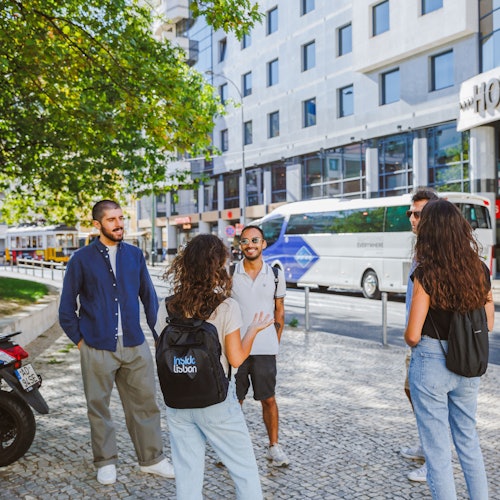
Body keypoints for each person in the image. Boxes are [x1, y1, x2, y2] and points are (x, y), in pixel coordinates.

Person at [58, 200, 174, 485]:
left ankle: (152, 460)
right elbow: (66, 309)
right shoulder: (81, 259)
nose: (119, 224)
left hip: (135, 344)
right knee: (98, 407)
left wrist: (159, 337)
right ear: (97, 224)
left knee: (145, 404)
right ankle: (106, 461)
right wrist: (81, 342)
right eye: (112, 220)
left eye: (121, 218)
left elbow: (149, 298)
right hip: (96, 346)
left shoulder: (135, 255)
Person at [155, 234, 273, 499]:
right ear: (217, 266)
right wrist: (253, 330)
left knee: (187, 475)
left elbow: (162, 352)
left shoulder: (167, 306)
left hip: (178, 402)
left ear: (185, 264)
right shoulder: (226, 306)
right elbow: (236, 359)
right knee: (244, 471)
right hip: (216, 402)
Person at [404, 198, 494, 499]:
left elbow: (413, 335)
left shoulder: (426, 273)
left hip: (431, 361)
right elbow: (488, 322)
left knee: (437, 452)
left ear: (429, 230)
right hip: (468, 361)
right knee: (468, 441)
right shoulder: (479, 269)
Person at [231, 225, 288, 467]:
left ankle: (274, 447)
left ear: (263, 244)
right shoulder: (230, 273)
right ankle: (232, 450)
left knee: (269, 399)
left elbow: (280, 311)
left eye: (255, 240)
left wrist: (275, 341)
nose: (250, 245)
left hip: (265, 349)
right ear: (240, 245)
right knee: (234, 401)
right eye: (245, 241)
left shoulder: (275, 274)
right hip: (236, 348)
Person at [400, 187, 438, 482]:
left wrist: (417, 335)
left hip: (428, 339)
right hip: (416, 337)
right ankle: (426, 445)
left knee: (429, 402)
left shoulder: (436, 250)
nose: (413, 218)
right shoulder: (419, 247)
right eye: (410, 213)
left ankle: (434, 462)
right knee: (410, 390)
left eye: (419, 213)